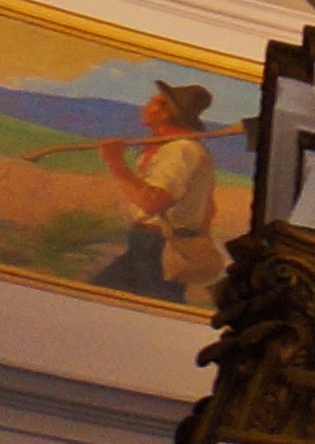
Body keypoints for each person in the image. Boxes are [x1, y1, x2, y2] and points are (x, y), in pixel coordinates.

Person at [90, 82, 225, 303]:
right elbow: (209, 207)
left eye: (151, 103)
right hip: (149, 243)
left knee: (152, 304)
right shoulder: (171, 148)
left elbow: (152, 203)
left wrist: (115, 162)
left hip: (160, 247)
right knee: (99, 295)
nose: (144, 108)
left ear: (164, 112)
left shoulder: (181, 150)